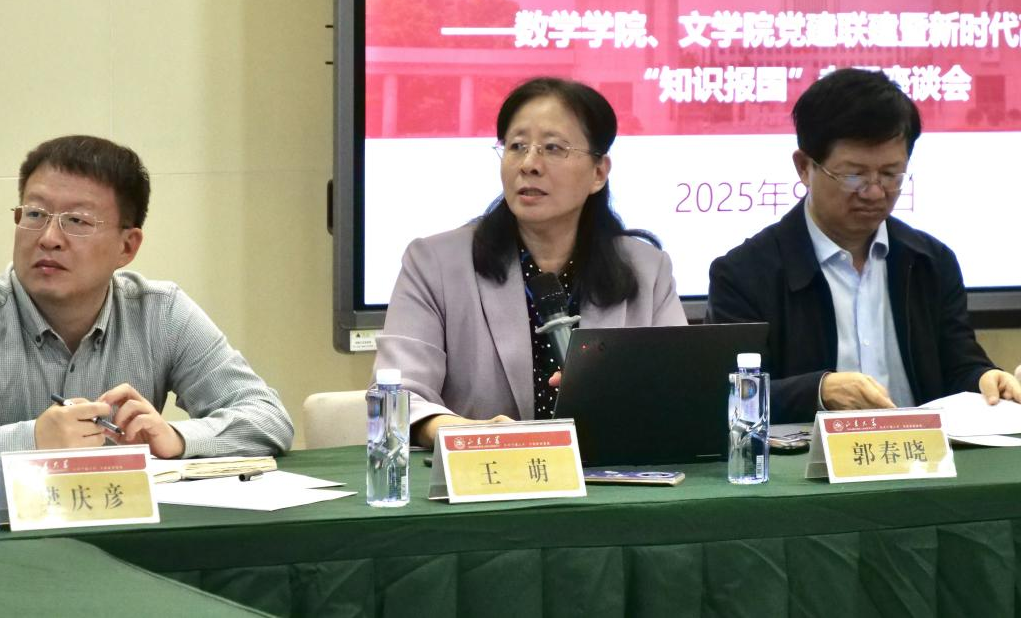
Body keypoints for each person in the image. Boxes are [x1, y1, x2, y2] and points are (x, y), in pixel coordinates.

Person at [372, 77, 687, 447]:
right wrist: (469, 434)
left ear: (599, 172)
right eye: (517, 146)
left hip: (608, 474)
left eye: (553, 148)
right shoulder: (434, 264)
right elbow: (396, 397)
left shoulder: (647, 270)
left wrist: (622, 400)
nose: (529, 164)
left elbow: (681, 393)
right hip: (485, 474)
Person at [708, 68, 1020, 423]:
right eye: (854, 175)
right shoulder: (744, 274)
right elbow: (731, 396)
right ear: (804, 167)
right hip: (811, 458)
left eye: (890, 174)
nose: (874, 192)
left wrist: (984, 379)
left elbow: (959, 365)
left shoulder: (930, 262)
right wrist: (819, 392)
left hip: (922, 453)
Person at [0, 135, 294, 457]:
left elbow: (268, 419)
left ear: (127, 246)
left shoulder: (161, 312)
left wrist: (176, 437)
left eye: (77, 221)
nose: (49, 238)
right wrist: (31, 440)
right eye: (35, 214)